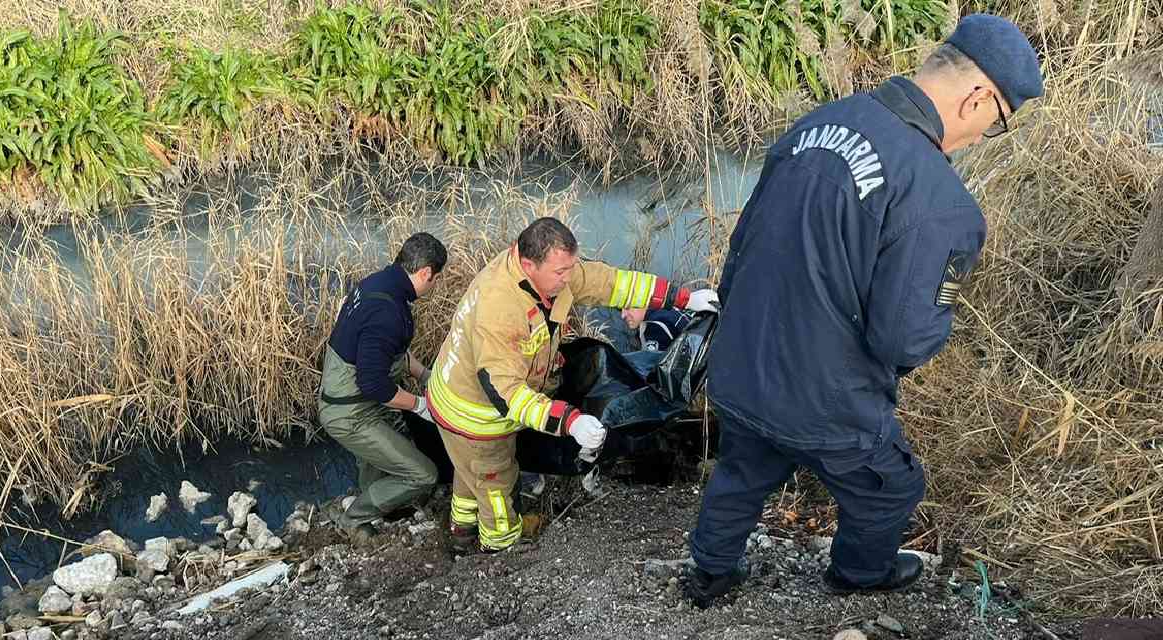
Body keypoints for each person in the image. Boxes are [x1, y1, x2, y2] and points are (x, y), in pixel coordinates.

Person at [685, 14, 1045, 607]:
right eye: (995, 125)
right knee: (891, 486)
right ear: (978, 96)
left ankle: (710, 571)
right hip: (825, 393)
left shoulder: (816, 125)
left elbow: (743, 246)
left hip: (744, 363)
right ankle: (858, 574)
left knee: (744, 467)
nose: (983, 138)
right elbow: (904, 338)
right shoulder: (940, 200)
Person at [426, 217, 719, 553]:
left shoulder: (551, 274)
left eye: (571, 268)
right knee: (496, 480)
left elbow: (614, 284)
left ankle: (461, 529)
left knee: (469, 470)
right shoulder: (500, 309)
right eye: (560, 273)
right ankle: (500, 548)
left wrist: (682, 299)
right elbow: (506, 395)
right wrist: (570, 421)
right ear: (527, 264)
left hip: (458, 398)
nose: (568, 279)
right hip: (474, 414)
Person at [321, 233, 447, 540]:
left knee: (382, 457)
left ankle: (378, 499)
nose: (434, 286)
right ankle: (353, 516)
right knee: (424, 474)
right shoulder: (388, 312)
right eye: (435, 279)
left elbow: (388, 353)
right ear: (425, 273)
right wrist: (421, 406)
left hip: (349, 398)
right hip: (349, 412)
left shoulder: (377, 284)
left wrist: (426, 376)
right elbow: (375, 385)